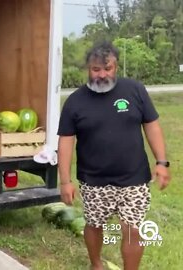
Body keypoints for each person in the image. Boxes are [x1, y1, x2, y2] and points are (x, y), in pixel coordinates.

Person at [57, 41, 171, 270]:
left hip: (134, 178)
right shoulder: (75, 101)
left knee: (132, 228)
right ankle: (96, 264)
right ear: (88, 69)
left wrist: (161, 162)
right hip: (94, 180)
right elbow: (66, 141)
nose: (101, 75)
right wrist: (65, 181)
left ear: (116, 67)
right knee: (94, 224)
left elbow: (152, 125)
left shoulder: (135, 90)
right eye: (95, 69)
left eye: (107, 69)